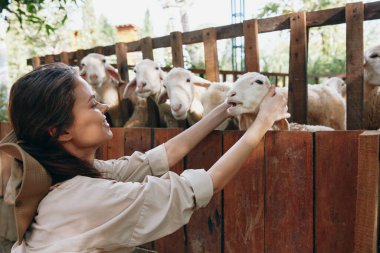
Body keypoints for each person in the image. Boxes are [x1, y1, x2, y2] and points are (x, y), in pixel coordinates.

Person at [2, 62, 289, 252]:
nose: (104, 106)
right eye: (92, 104)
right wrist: (263, 122)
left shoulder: (70, 175)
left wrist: (227, 107)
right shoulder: (84, 197)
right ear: (60, 131)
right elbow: (200, 187)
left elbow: (155, 159)